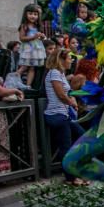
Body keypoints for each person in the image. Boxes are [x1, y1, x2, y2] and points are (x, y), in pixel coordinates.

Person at [43, 48, 87, 186]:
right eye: (69, 58)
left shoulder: (61, 74)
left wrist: (72, 99)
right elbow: (61, 95)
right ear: (61, 59)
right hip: (56, 114)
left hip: (65, 114)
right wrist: (72, 102)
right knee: (66, 146)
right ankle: (71, 178)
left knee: (83, 136)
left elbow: (66, 94)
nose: (71, 60)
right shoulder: (54, 73)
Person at [18, 3, 46, 88]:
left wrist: (42, 37)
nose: (33, 16)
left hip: (36, 50)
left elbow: (40, 39)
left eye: (35, 14)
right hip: (28, 50)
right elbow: (22, 38)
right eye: (30, 14)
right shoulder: (24, 26)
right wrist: (33, 37)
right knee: (24, 67)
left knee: (32, 68)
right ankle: (13, 81)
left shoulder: (37, 26)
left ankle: (28, 85)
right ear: (25, 14)